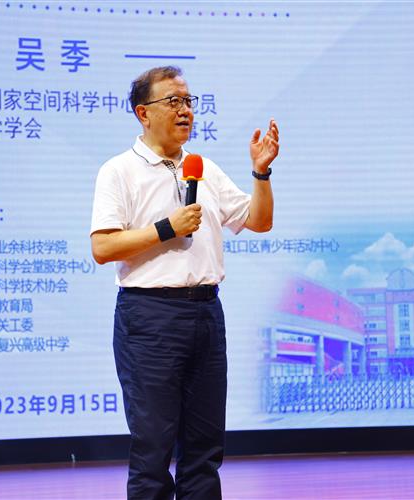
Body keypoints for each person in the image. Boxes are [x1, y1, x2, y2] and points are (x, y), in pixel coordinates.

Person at [90, 66, 279, 500]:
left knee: (204, 450)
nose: (185, 111)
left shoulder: (203, 168)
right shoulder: (119, 171)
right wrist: (166, 228)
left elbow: (259, 221)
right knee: (153, 449)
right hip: (149, 318)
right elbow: (102, 247)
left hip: (206, 314)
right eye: (173, 101)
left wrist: (261, 174)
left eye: (188, 101)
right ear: (143, 113)